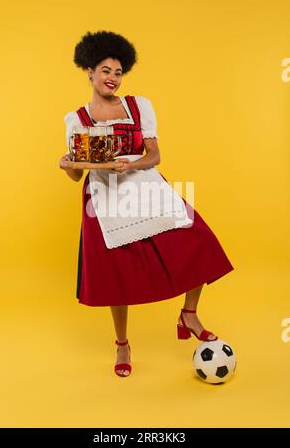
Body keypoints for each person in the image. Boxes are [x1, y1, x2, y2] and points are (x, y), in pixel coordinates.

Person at [59, 30, 235, 378]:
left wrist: (131, 164)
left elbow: (154, 153)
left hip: (144, 185)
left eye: (119, 71)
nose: (112, 77)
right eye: (106, 70)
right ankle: (122, 343)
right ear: (90, 72)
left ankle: (189, 314)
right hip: (104, 198)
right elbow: (77, 175)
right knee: (116, 271)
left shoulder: (139, 107)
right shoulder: (76, 119)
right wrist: (69, 164)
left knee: (197, 240)